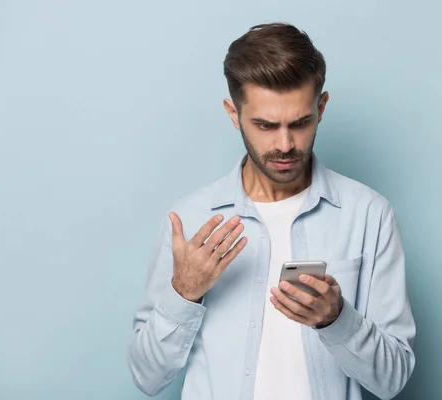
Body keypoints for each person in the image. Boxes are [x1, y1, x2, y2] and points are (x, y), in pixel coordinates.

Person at [127, 22, 416, 400]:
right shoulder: (191, 220)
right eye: (265, 125)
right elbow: (146, 378)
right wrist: (184, 293)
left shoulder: (368, 216)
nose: (284, 144)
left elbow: (393, 380)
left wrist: (337, 320)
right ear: (234, 114)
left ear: (322, 107)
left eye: (300, 123)